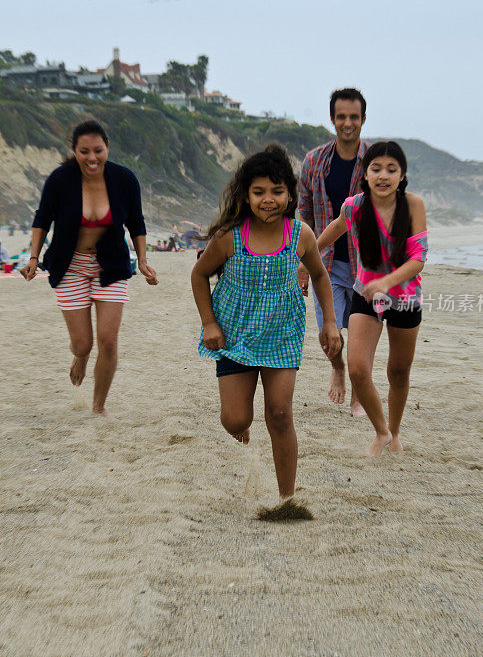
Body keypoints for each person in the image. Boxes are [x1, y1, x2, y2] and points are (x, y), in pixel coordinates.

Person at [191, 145, 341, 504]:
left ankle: (287, 498)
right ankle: (240, 427)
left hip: (282, 334)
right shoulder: (229, 235)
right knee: (234, 419)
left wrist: (330, 322)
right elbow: (199, 274)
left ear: (290, 195)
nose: (268, 200)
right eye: (259, 192)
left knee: (278, 412)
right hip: (234, 335)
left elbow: (320, 277)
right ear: (246, 195)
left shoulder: (300, 234)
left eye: (277, 192)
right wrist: (209, 323)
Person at [21, 119, 158, 416]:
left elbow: (136, 223)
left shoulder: (124, 179)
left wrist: (143, 260)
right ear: (74, 150)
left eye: (98, 150)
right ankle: (80, 357)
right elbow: (42, 219)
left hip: (110, 265)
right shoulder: (60, 179)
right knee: (83, 343)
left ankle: (99, 407)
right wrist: (33, 258)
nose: (92, 158)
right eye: (84, 151)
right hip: (70, 265)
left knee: (108, 341)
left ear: (108, 148)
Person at [316, 141, 428, 457]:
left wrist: (387, 282)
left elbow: (418, 258)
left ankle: (395, 433)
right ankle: (381, 433)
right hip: (365, 294)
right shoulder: (354, 207)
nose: (383, 175)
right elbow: (335, 228)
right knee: (358, 369)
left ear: (402, 175)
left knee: (398, 372)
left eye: (391, 169)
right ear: (365, 174)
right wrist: (307, 258)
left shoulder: (414, 205)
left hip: (404, 298)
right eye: (376, 168)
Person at [298, 87, 370, 415]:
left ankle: (358, 384)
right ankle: (337, 368)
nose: (347, 123)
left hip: (365, 265)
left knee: (359, 336)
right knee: (330, 337)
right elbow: (306, 216)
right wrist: (302, 262)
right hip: (324, 263)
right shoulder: (314, 161)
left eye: (354, 117)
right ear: (332, 119)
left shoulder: (374, 163)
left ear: (363, 119)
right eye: (341, 116)